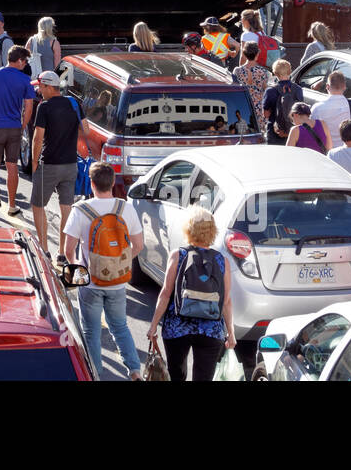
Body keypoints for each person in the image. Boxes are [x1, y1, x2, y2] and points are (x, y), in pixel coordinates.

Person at [62, 161, 143, 380]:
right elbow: (138, 245)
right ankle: (135, 371)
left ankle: (95, 374)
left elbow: (68, 251)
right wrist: (119, 264)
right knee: (120, 327)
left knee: (91, 332)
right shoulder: (125, 208)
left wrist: (80, 278)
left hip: (91, 283)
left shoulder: (80, 210)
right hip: (117, 281)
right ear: (113, 182)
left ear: (91, 183)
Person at [148, 205, 236, 382]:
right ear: (212, 231)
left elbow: (165, 294)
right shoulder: (222, 261)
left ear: (188, 229)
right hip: (211, 330)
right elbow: (226, 301)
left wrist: (153, 326)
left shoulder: (178, 255)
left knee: (176, 375)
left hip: (177, 327)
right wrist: (231, 333)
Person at [31, 71, 89, 261]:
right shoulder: (74, 103)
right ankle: (62, 253)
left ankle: (44, 249)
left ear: (48, 86)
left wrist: (33, 162)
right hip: (70, 164)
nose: (38, 91)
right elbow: (86, 129)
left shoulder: (44, 107)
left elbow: (38, 138)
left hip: (49, 164)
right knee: (67, 209)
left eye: (40, 87)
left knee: (38, 206)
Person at [0, 45, 35, 218]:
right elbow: (29, 107)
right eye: (25, 61)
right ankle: (12, 205)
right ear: (19, 60)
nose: (25, 64)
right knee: (12, 166)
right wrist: (22, 126)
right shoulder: (25, 79)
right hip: (13, 128)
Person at [309, 70, 351, 140]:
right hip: (350, 149)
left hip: (325, 150)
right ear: (344, 87)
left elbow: (311, 131)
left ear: (327, 87)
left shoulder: (317, 108)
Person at [261, 59, 302, 144]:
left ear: (275, 73)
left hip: (275, 132)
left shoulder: (270, 91)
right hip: (293, 131)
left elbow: (266, 114)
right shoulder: (298, 89)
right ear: (290, 71)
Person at [232, 42, 270, 124]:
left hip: (244, 106)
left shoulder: (237, 71)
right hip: (259, 107)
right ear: (257, 55)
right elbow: (265, 89)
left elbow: (234, 88)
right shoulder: (263, 72)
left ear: (245, 54)